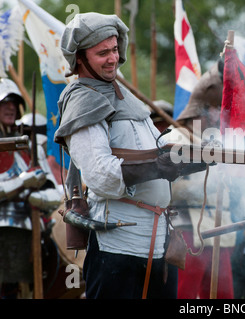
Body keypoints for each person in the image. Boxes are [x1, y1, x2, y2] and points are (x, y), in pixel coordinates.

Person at [54, 12, 205, 299]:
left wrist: (193, 158)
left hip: (159, 241)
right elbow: (101, 176)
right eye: (102, 53)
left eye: (113, 50)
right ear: (80, 58)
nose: (112, 58)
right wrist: (160, 166)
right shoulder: (83, 100)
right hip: (117, 247)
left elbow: (155, 154)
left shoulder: (125, 96)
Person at [167, 61, 236, 299]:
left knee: (222, 297)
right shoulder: (175, 137)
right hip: (186, 232)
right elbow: (168, 188)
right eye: (217, 110)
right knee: (184, 296)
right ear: (203, 109)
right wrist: (206, 183)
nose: (220, 118)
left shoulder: (217, 142)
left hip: (217, 229)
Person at [1, 78, 61, 298]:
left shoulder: (31, 146)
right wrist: (23, 182)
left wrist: (40, 198)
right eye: (4, 102)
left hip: (31, 233)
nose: (10, 107)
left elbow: (54, 194)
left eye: (14, 102)